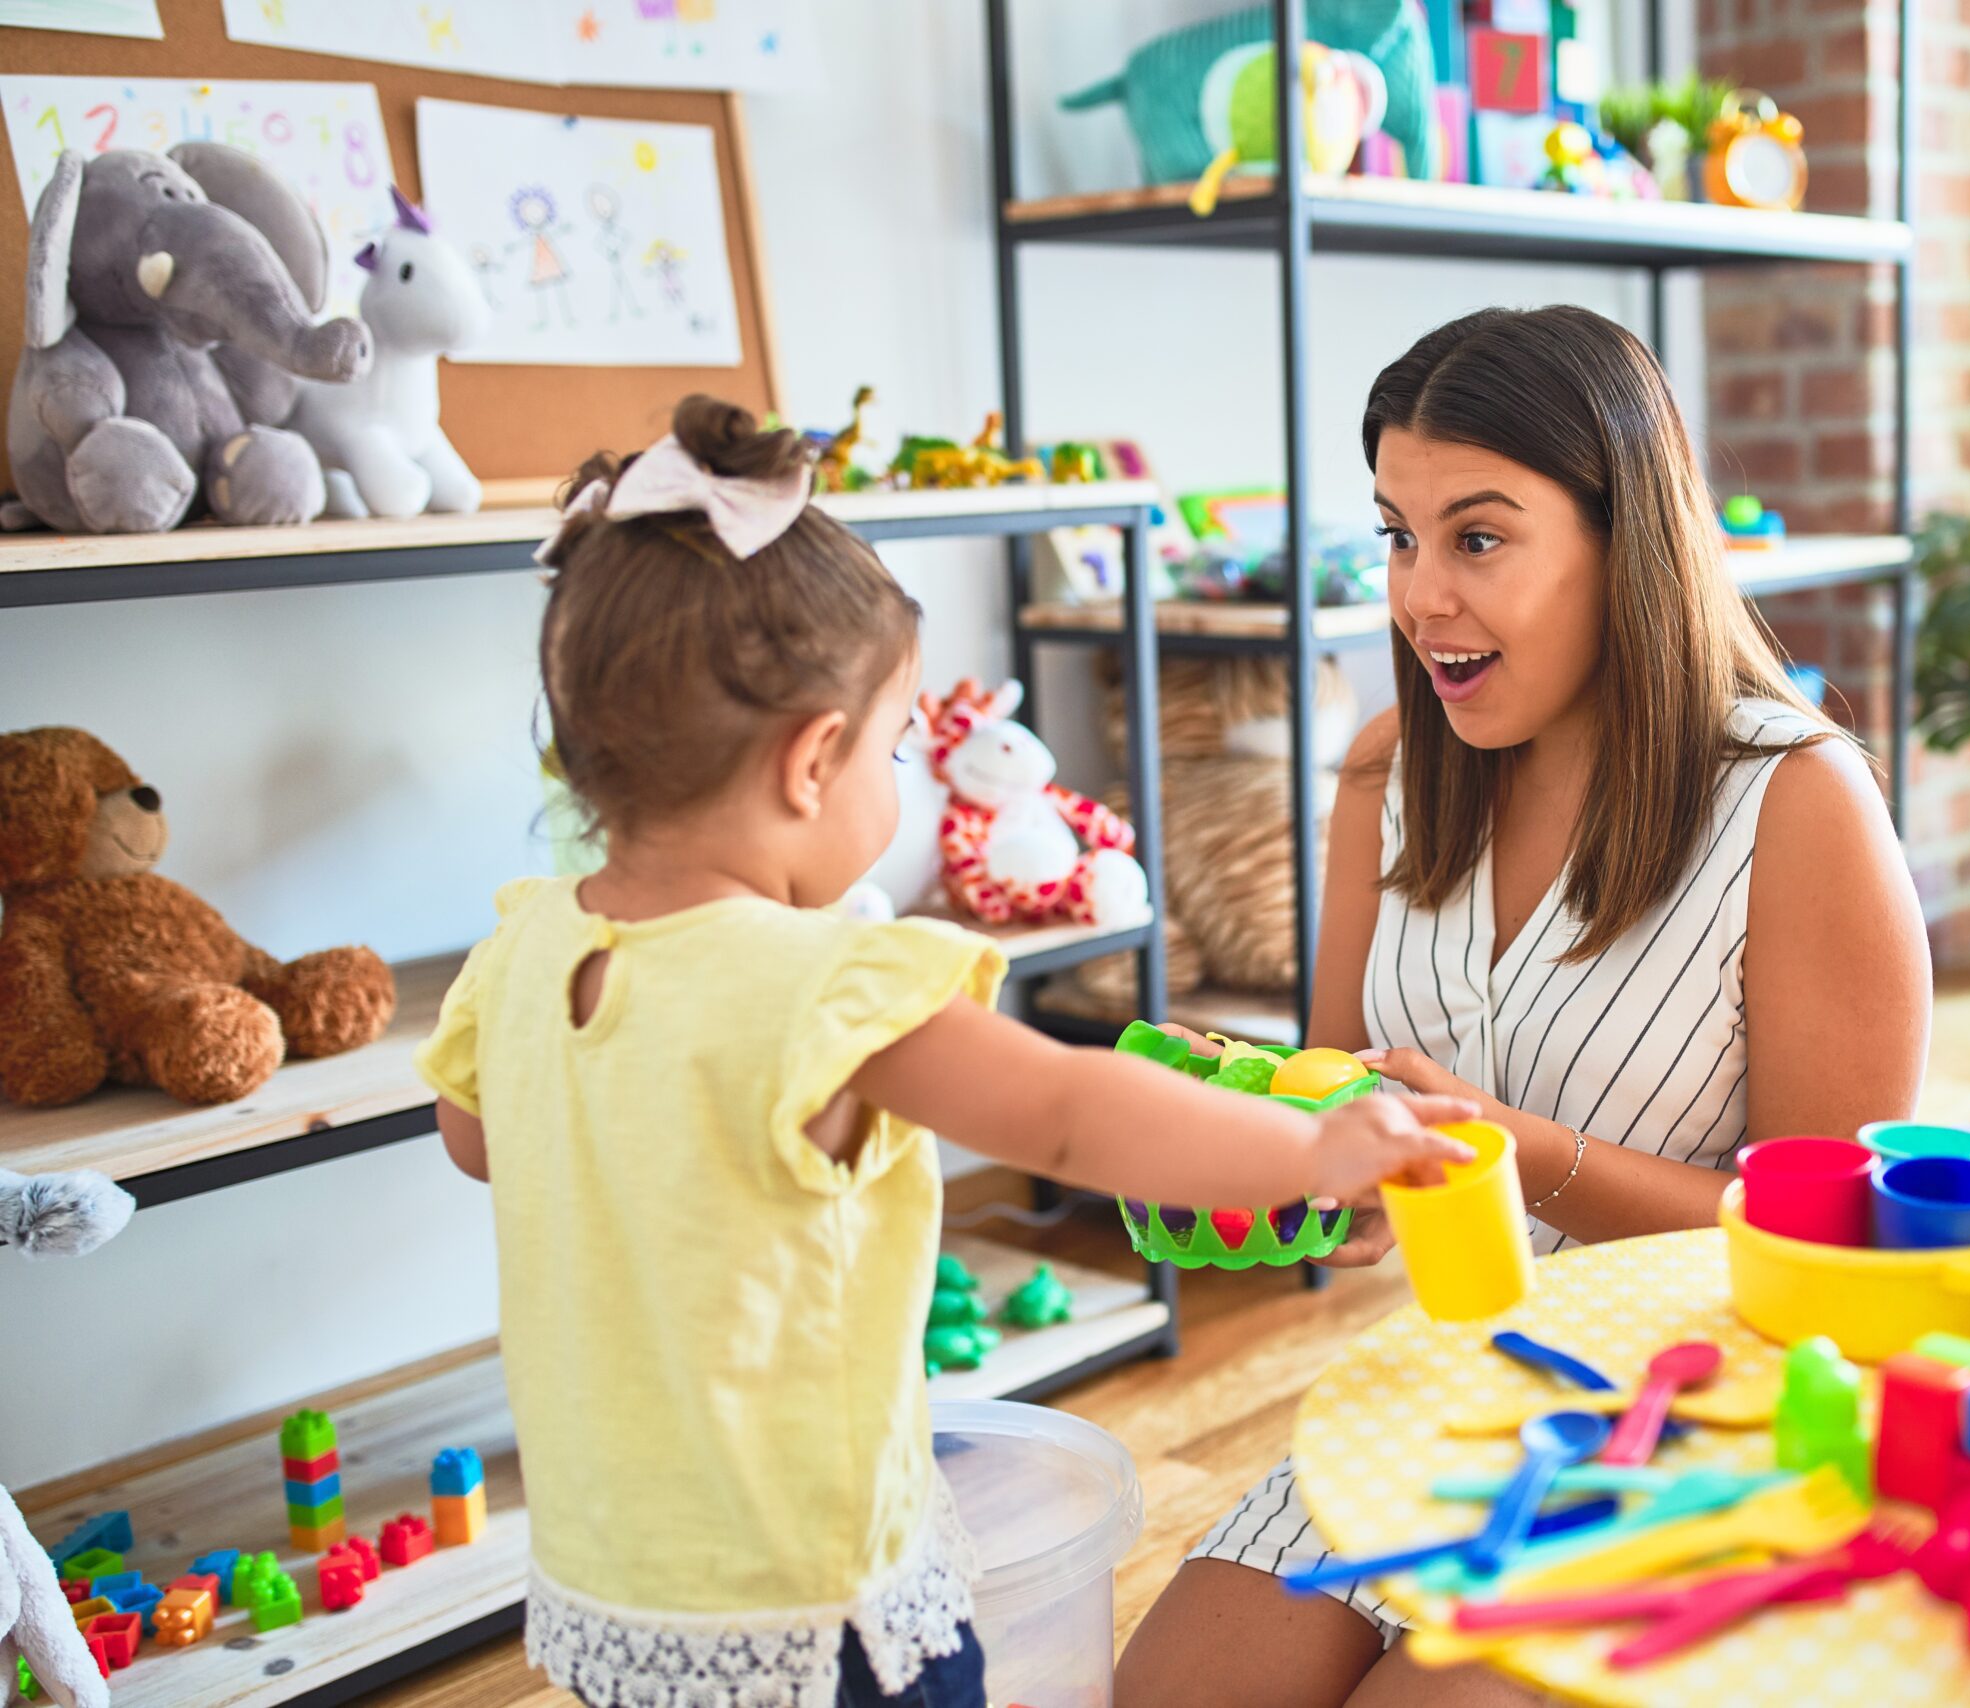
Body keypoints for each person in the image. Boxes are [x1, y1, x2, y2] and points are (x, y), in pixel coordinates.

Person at [417, 397, 1476, 1708]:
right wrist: (1310, 1146)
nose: (906, 775)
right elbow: (1076, 1114)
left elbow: (480, 1142)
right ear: (814, 761)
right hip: (811, 1594)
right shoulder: (825, 986)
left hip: (616, 1583)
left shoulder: (518, 954)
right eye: (902, 742)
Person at [1116, 306, 1932, 1707]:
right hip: (1451, 1385)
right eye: (1397, 536)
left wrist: (1512, 1151)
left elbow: (1839, 1252)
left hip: (1701, 1425)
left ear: (1627, 543)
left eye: (1477, 539)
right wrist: (1271, 1134)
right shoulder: (1390, 770)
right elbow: (1347, 1092)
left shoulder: (1799, 805)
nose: (1420, 595)